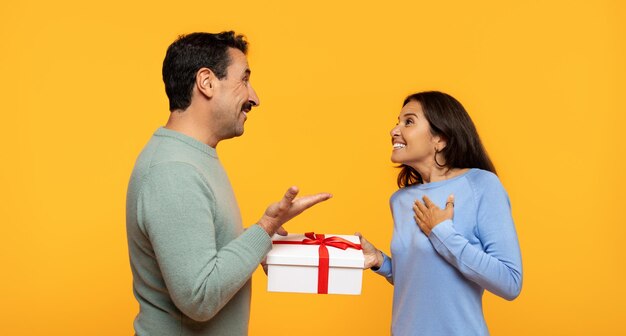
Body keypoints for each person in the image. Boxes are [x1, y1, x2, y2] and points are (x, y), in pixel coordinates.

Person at [125, 31, 331, 336]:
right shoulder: (174, 170)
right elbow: (199, 298)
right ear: (207, 82)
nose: (254, 97)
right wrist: (265, 228)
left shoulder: (193, 157)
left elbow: (202, 259)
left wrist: (255, 240)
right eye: (244, 80)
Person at [357, 91, 523, 335]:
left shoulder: (481, 185)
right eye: (397, 122)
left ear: (441, 139)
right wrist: (381, 262)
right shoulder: (400, 200)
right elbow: (423, 278)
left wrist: (442, 232)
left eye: (409, 121)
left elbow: (510, 282)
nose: (394, 131)